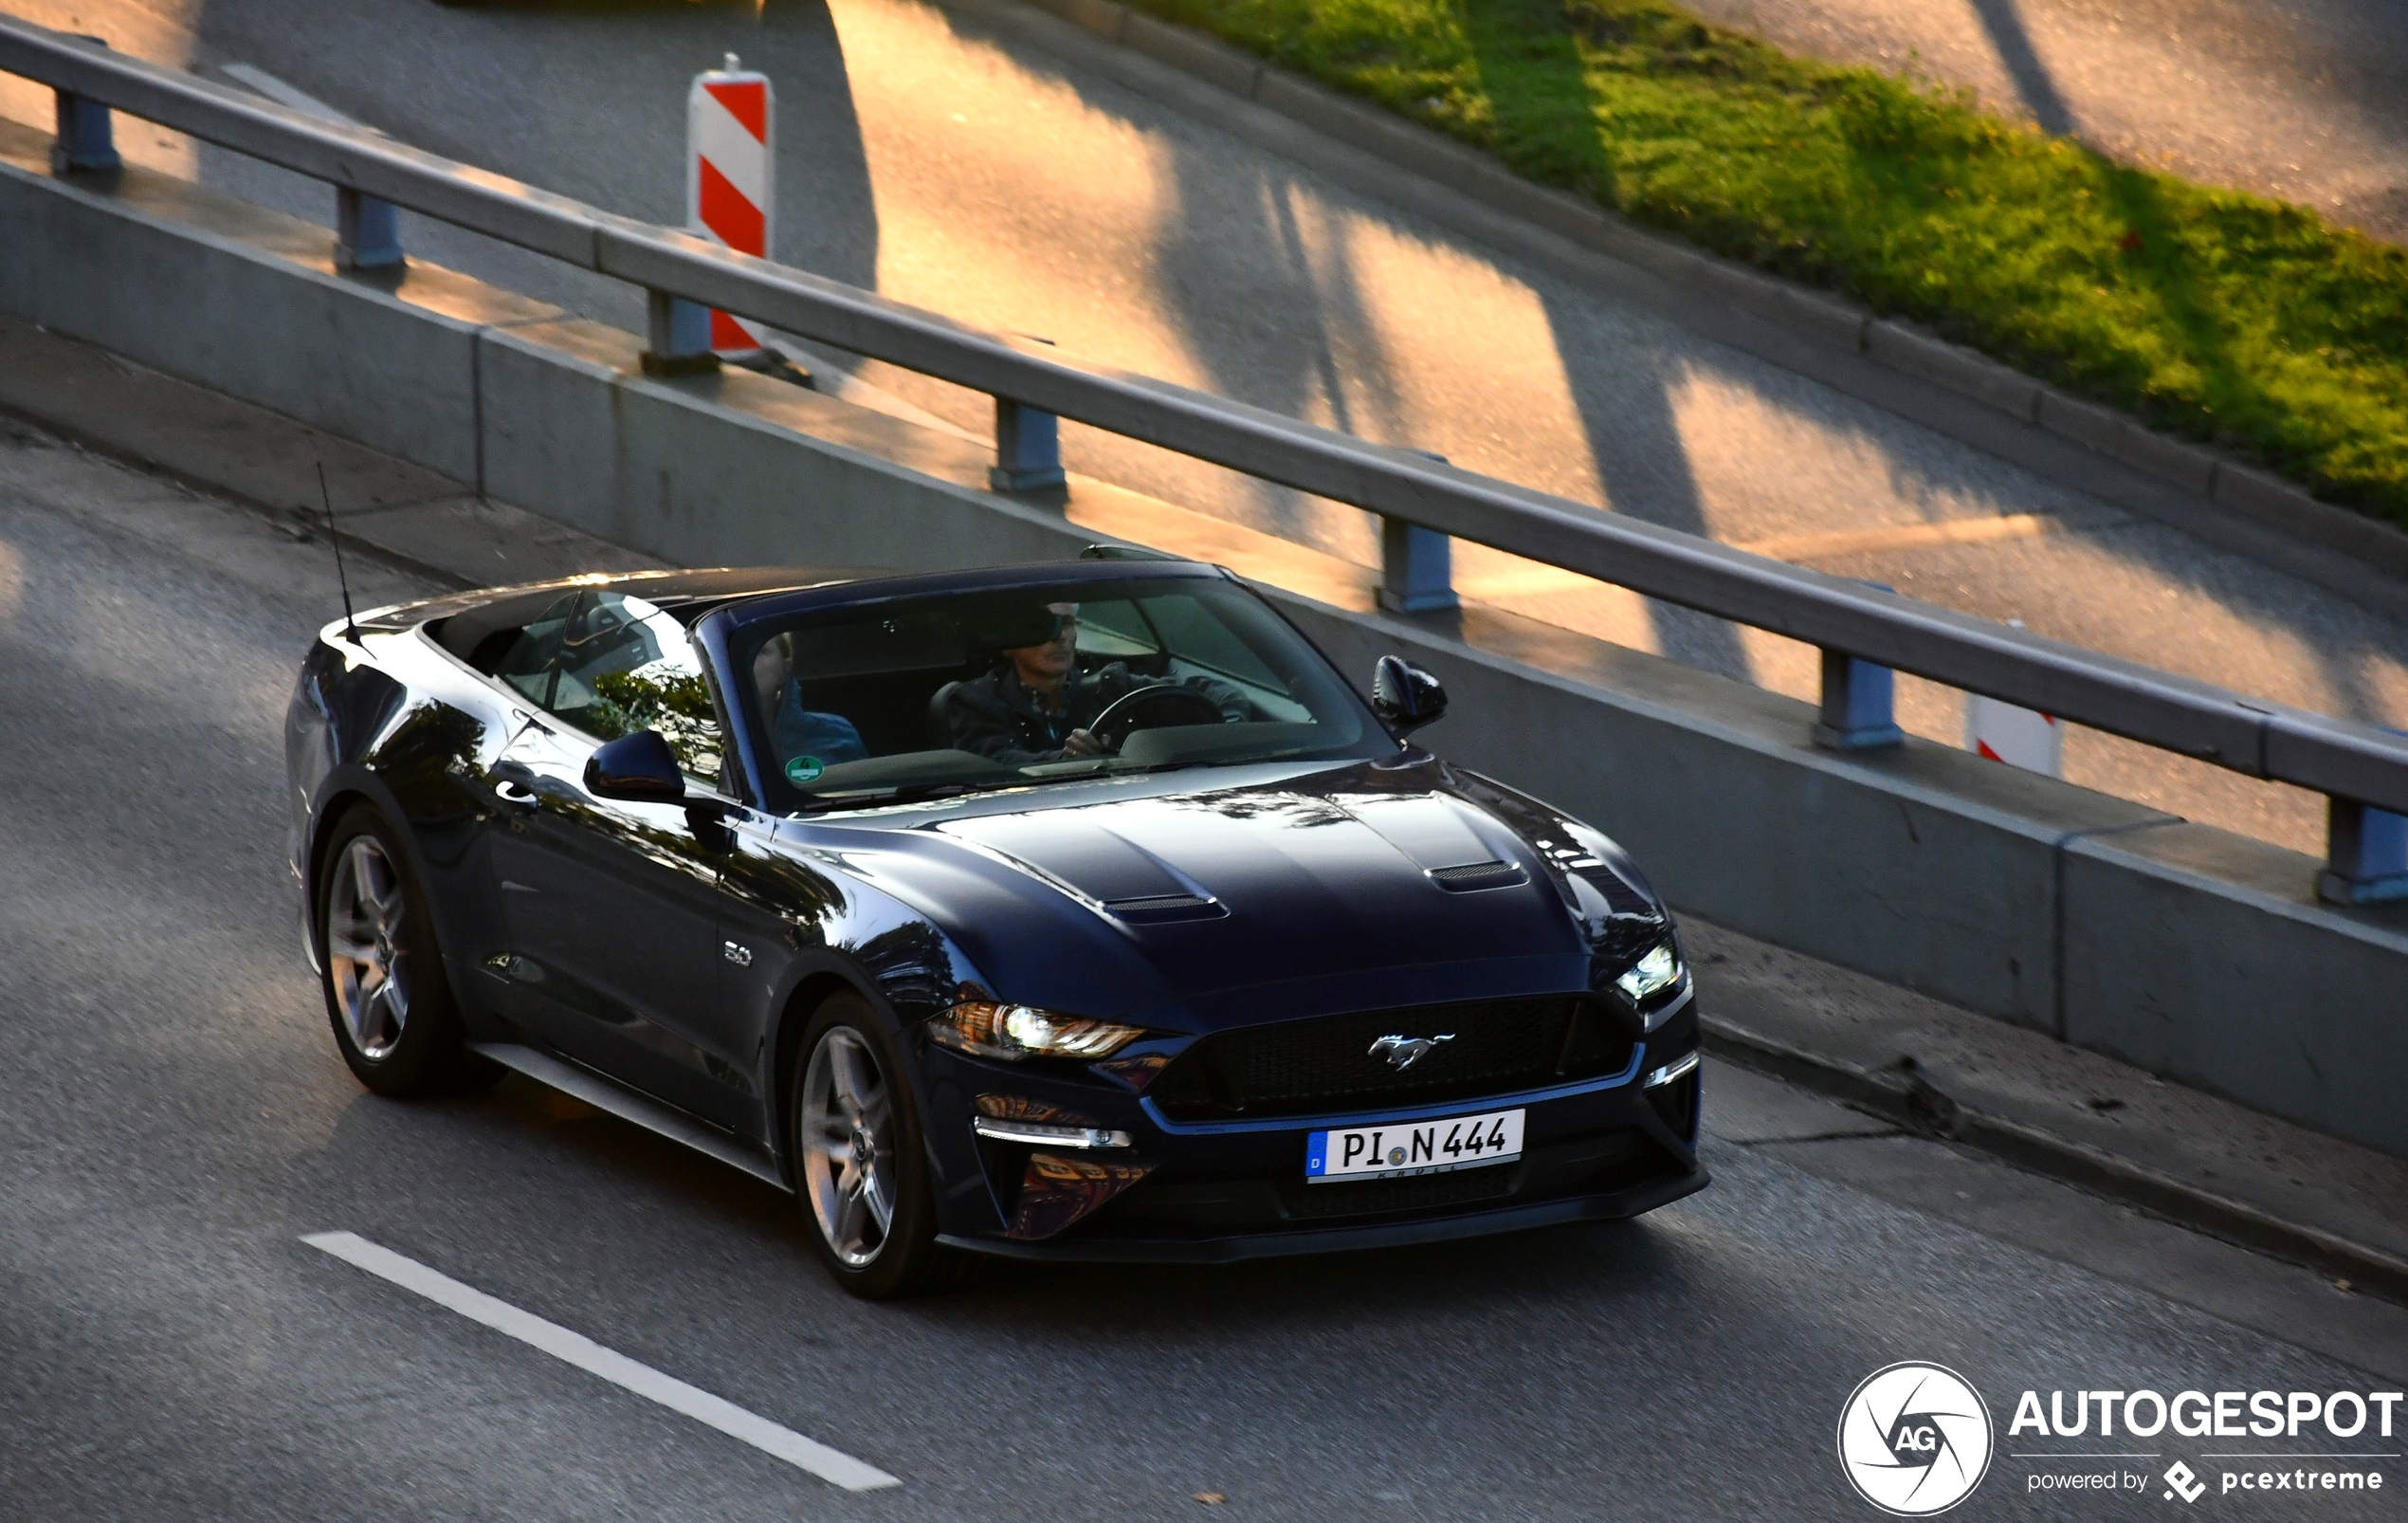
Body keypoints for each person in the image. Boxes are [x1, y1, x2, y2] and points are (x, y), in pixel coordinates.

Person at [944, 602, 1248, 765]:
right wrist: (1063, 760)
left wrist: (1230, 729)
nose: (1058, 637)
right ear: (1009, 643)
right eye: (1040, 626)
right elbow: (994, 763)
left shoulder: (1111, 684)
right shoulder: (975, 700)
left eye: (1066, 623)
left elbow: (1217, 693)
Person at [753, 634, 868, 777]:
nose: (748, 660)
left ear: (785, 667)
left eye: (761, 651)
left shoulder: (836, 736)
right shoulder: (720, 744)